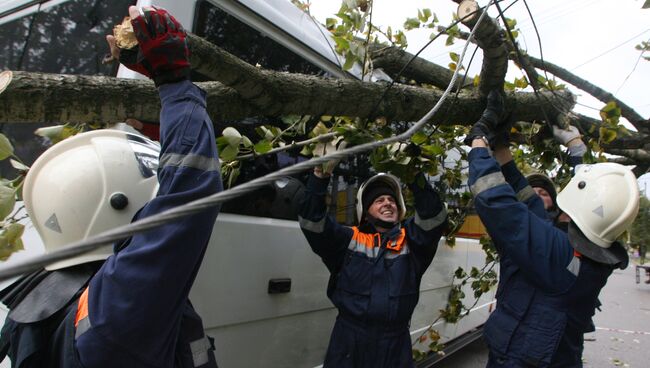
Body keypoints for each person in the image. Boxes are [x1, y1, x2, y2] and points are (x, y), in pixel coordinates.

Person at [0, 6, 222, 367]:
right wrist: (174, 82)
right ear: (118, 208)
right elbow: (189, 189)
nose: (154, 209)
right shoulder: (116, 310)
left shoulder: (42, 297)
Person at [464, 91, 640, 367]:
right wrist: (576, 149)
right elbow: (540, 206)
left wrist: (478, 142)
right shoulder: (596, 252)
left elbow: (496, 200)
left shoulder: (557, 254)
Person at [299, 163, 447, 367]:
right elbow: (311, 221)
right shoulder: (347, 240)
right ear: (365, 211)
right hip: (349, 347)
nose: (388, 203)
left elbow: (433, 216)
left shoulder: (412, 242)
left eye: (391, 200)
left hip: (394, 348)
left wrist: (413, 172)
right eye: (379, 200)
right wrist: (320, 174)